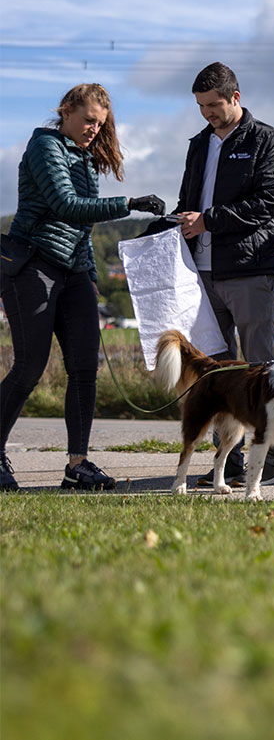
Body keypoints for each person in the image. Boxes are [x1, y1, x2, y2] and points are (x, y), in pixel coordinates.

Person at [0, 84, 165, 492]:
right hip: (33, 265)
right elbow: (66, 205)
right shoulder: (45, 146)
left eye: (100, 124)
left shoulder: (86, 158)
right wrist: (128, 203)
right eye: (89, 120)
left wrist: (89, 277)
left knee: (84, 369)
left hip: (74, 273)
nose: (94, 130)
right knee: (29, 368)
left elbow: (82, 230)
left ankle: (77, 464)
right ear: (66, 111)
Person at [175, 62, 274, 487]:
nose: (207, 113)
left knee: (261, 368)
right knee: (220, 375)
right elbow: (190, 198)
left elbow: (268, 203)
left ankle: (270, 462)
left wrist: (208, 220)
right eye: (201, 106)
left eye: (214, 105)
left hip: (251, 270)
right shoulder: (198, 144)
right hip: (202, 272)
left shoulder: (266, 140)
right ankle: (231, 463)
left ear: (235, 98)